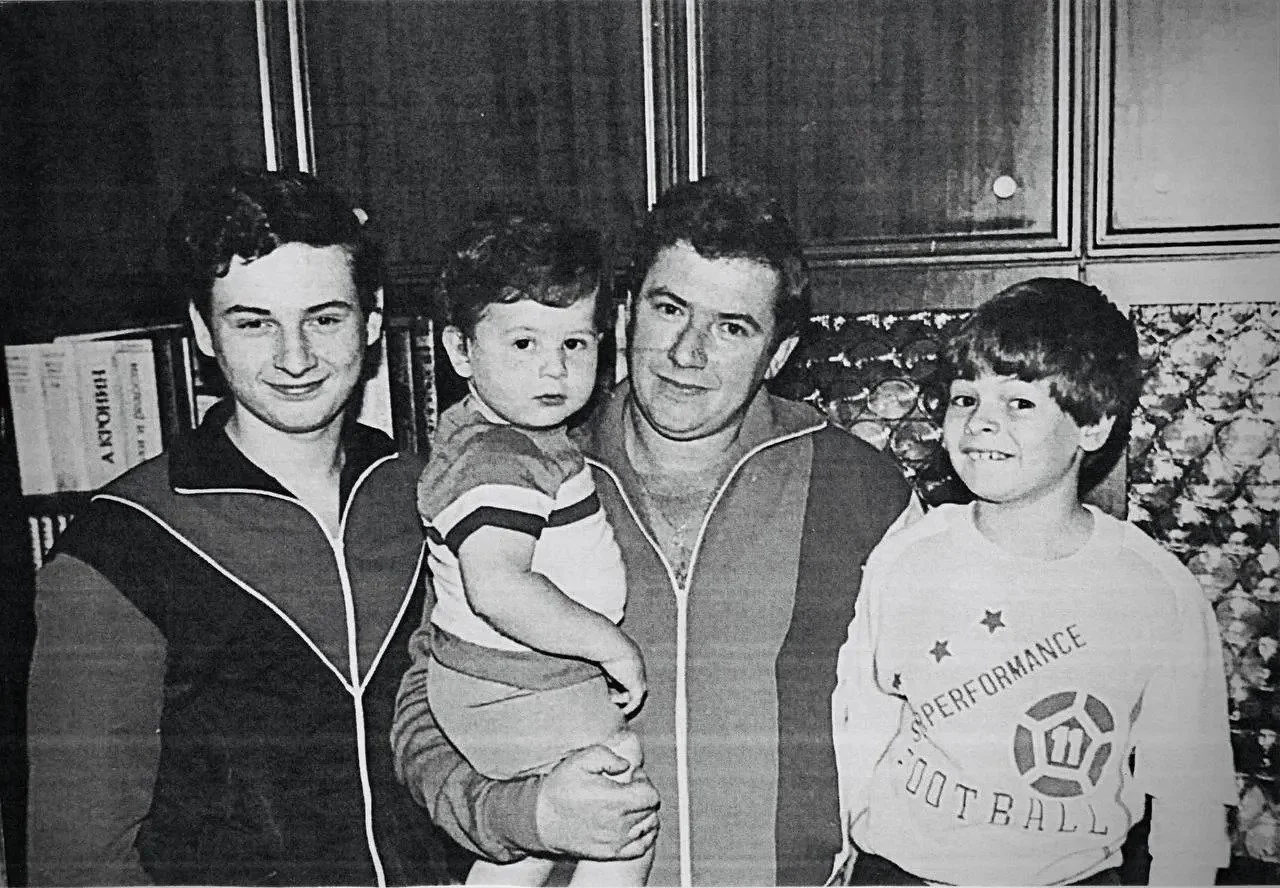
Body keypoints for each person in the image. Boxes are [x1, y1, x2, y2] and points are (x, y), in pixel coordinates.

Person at [393, 175, 919, 886]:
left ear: (781, 353)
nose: (687, 352)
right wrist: (520, 816)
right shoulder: (522, 471)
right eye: (670, 309)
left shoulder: (863, 493)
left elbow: (943, 718)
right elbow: (424, 703)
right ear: (624, 318)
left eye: (732, 327)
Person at [24, 167, 471, 885]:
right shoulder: (118, 551)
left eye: (324, 318)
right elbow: (75, 864)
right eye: (253, 322)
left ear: (374, 318)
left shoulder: (438, 499)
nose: (294, 358)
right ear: (202, 329)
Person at [830, 279, 1236, 886]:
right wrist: (857, 831)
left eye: (1019, 403)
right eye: (965, 399)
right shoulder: (909, 551)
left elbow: (1192, 792)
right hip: (902, 871)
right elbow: (863, 706)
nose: (980, 423)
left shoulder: (1154, 590)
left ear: (1094, 423)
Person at [414, 209, 652, 886]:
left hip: (502, 681)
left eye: (576, 344)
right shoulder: (500, 458)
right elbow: (499, 587)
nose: (554, 368)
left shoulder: (497, 436)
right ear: (460, 350)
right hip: (516, 683)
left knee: (531, 844)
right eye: (523, 344)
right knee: (623, 822)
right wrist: (610, 645)